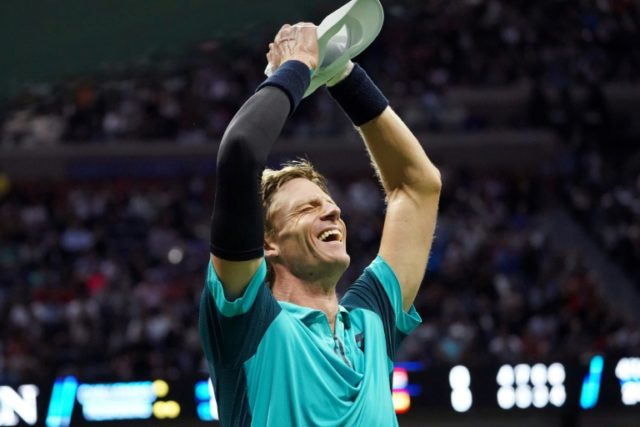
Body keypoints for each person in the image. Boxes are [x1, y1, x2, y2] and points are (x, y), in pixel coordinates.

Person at [199, 22, 441, 426]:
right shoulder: (247, 322)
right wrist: (295, 68)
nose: (332, 213)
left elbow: (418, 187)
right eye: (306, 209)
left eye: (330, 206)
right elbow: (241, 151)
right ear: (267, 243)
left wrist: (344, 75)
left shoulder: (371, 319)